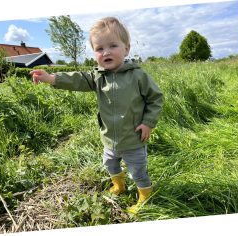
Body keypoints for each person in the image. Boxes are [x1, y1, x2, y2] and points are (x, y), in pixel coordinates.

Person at [30, 17, 163, 214]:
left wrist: (148, 123)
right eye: (99, 48)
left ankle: (145, 194)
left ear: (126, 49)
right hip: (109, 138)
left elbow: (155, 99)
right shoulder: (97, 76)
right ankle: (119, 185)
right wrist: (51, 78)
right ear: (94, 53)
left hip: (134, 138)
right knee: (109, 163)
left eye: (113, 46)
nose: (106, 52)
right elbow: (76, 80)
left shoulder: (138, 76)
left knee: (137, 170)